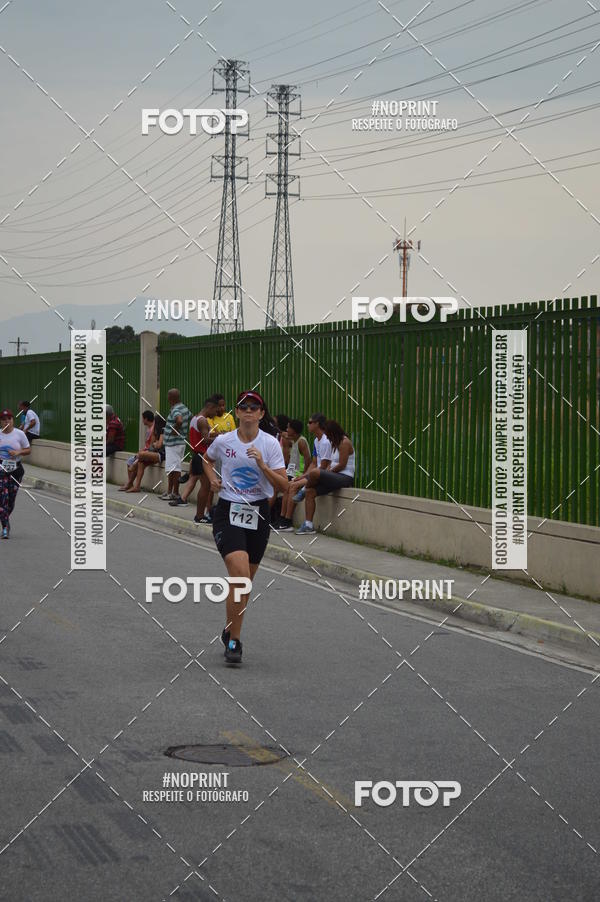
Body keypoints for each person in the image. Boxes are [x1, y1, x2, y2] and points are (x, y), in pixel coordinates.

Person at [203, 390, 287, 665]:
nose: (249, 411)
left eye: (255, 407)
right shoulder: (225, 440)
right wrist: (212, 479)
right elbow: (206, 458)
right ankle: (235, 643)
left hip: (259, 513)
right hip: (228, 511)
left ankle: (229, 629)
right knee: (239, 576)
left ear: (261, 414)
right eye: (244, 406)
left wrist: (262, 464)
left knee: (245, 584)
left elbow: (283, 486)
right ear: (237, 412)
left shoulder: (271, 444)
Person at [295, 419, 355, 535]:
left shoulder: (344, 442)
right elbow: (330, 464)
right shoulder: (334, 443)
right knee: (310, 492)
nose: (327, 437)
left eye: (328, 434)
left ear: (333, 432)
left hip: (344, 476)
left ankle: (302, 490)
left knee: (315, 473)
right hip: (335, 475)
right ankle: (308, 525)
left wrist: (327, 473)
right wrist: (327, 472)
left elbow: (342, 465)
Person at [169, 397, 218, 515]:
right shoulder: (202, 421)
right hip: (202, 456)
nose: (216, 414)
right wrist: (220, 438)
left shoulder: (195, 419)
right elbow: (205, 440)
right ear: (210, 407)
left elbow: (203, 435)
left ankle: (203, 512)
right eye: (215, 411)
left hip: (196, 455)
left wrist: (218, 434)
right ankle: (203, 514)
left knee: (200, 483)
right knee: (206, 487)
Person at [287, 413, 332, 508]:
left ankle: (287, 520)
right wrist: (303, 476)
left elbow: (323, 466)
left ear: (317, 424)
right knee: (289, 485)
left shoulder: (325, 442)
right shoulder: (316, 440)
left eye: (310, 422)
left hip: (322, 474)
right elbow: (314, 463)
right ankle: (282, 516)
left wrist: (304, 476)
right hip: (315, 473)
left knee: (293, 486)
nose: (307, 425)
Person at [0, 408, 31, 538]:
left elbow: (28, 450)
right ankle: (5, 527)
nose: (7, 421)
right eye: (4, 419)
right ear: (1, 422)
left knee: (11, 500)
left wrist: (18, 452)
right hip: (1, 470)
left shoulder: (19, 434)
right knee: (2, 499)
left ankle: (5, 518)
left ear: (13, 420)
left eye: (9, 419)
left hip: (16, 470)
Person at [276, 419, 312, 531]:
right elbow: (285, 435)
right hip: (291, 472)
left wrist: (303, 475)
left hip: (298, 473)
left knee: (288, 488)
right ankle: (281, 519)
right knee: (280, 485)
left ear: (294, 430)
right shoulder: (294, 440)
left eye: (288, 427)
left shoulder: (301, 442)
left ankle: (287, 521)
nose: (287, 430)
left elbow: (308, 460)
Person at [160, 389, 191, 501]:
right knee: (172, 468)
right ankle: (170, 491)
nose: (167, 398)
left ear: (171, 398)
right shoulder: (184, 408)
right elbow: (190, 417)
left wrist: (175, 430)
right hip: (177, 443)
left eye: (168, 396)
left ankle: (175, 493)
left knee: (175, 468)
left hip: (174, 443)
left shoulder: (176, 409)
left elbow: (179, 420)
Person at [126, 415, 166, 492]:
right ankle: (136, 487)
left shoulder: (163, 430)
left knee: (141, 454)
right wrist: (155, 443)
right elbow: (152, 444)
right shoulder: (156, 431)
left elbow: (159, 445)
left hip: (161, 455)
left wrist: (155, 444)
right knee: (141, 463)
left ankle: (134, 465)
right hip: (154, 453)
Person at [119, 410, 155, 491]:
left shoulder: (153, 429)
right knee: (129, 461)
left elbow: (151, 445)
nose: (142, 421)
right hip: (145, 451)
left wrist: (143, 452)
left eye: (143, 419)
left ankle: (130, 483)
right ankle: (130, 483)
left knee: (137, 463)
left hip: (149, 452)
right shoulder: (149, 428)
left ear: (146, 419)